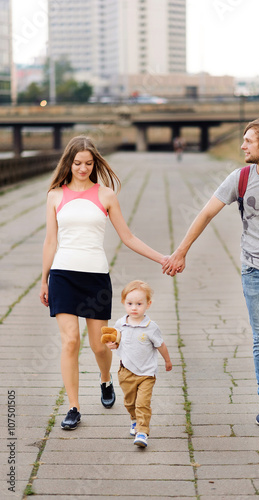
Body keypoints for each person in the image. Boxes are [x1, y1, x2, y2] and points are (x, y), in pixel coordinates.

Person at [163, 118, 259, 431]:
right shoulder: (240, 178)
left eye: (248, 140)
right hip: (255, 272)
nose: (242, 145)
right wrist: (181, 251)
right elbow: (206, 212)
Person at [39, 136, 167, 430]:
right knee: (70, 341)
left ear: (95, 163)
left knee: (100, 345)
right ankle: (73, 407)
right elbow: (50, 241)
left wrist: (161, 258)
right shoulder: (55, 196)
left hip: (95, 277)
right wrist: (44, 280)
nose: (82, 168)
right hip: (62, 275)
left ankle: (105, 379)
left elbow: (128, 237)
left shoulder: (106, 195)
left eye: (88, 163)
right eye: (77, 163)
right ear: (68, 163)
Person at [105, 280, 172, 448]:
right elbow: (116, 340)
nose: (134, 307)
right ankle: (134, 419)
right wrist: (112, 345)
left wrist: (167, 360)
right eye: (130, 303)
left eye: (139, 304)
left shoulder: (151, 327)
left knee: (142, 403)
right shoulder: (121, 323)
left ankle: (142, 432)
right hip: (126, 371)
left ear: (148, 304)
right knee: (130, 402)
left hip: (146, 374)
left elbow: (160, 345)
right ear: (123, 303)